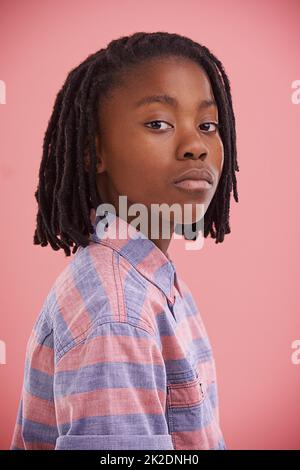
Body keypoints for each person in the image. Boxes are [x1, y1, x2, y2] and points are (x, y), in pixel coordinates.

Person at [10, 31, 239, 450]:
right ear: (93, 154)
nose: (196, 147)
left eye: (207, 125)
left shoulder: (153, 281)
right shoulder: (119, 311)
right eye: (158, 124)